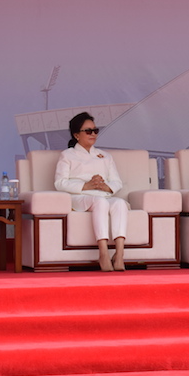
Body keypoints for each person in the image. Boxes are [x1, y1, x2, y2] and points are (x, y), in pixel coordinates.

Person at [54, 112, 129, 272]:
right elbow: (59, 183)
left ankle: (120, 254)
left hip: (102, 195)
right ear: (76, 135)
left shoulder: (105, 156)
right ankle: (103, 252)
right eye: (88, 131)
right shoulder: (67, 155)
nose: (93, 134)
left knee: (120, 203)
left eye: (95, 130)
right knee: (100, 202)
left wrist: (105, 187)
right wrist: (86, 186)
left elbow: (117, 182)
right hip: (80, 197)